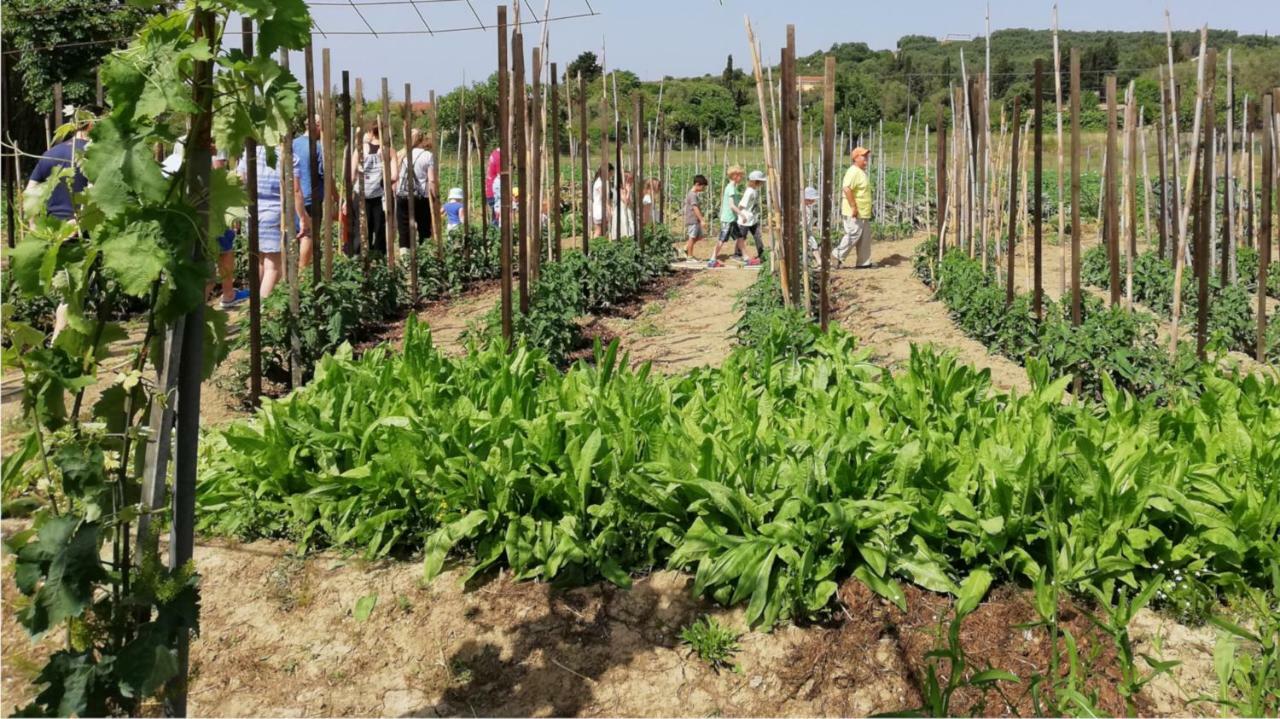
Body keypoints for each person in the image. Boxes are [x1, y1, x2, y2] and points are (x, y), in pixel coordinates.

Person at [27, 104, 98, 336]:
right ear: (91, 123)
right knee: (72, 290)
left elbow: (31, 191)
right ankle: (59, 341)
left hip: (52, 229)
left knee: (66, 288)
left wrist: (34, 224)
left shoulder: (51, 153)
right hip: (79, 229)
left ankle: (67, 339)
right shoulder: (93, 154)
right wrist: (78, 223)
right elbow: (94, 193)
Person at [162, 140, 249, 310]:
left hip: (186, 215)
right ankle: (210, 303)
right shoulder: (215, 137)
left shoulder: (182, 141)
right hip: (209, 211)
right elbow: (218, 173)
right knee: (217, 257)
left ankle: (193, 309)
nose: (214, 148)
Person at [237, 144, 296, 299]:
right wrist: (302, 218)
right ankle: (262, 308)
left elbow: (240, 178)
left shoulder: (252, 151)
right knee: (273, 266)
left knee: (260, 260)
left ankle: (253, 304)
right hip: (274, 212)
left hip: (252, 210)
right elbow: (295, 190)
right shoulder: (286, 155)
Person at [393, 128, 435, 252]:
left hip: (402, 196)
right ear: (421, 139)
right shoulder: (427, 155)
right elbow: (431, 180)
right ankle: (424, 255)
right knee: (424, 228)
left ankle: (405, 260)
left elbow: (395, 178)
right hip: (421, 197)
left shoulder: (400, 154)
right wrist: (435, 197)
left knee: (404, 229)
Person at [292, 114, 324, 269]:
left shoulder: (292, 144)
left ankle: (289, 271)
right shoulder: (316, 146)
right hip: (310, 197)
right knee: (308, 234)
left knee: (294, 232)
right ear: (316, 125)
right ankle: (302, 273)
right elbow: (323, 172)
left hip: (293, 197)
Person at [834, 146, 873, 268]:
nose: (866, 158)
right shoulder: (853, 171)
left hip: (863, 211)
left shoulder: (860, 172)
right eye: (863, 156)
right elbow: (846, 188)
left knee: (864, 237)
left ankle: (863, 262)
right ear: (855, 158)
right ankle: (836, 256)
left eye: (867, 156)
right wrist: (853, 207)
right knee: (854, 233)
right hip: (854, 211)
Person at [354, 125, 387, 255]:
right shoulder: (387, 150)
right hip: (379, 195)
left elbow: (351, 175)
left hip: (361, 194)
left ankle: (358, 259)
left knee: (361, 228)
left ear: (371, 133)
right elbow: (394, 176)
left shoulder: (360, 150)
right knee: (379, 229)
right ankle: (379, 259)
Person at [706, 165, 745, 268]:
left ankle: (746, 257)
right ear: (735, 176)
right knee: (722, 239)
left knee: (740, 237)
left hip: (732, 218)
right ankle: (712, 259)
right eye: (741, 175)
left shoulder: (732, 187)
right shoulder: (731, 188)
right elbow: (731, 205)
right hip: (728, 218)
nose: (742, 178)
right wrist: (742, 214)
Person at [735, 170, 765, 266]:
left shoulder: (754, 190)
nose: (762, 183)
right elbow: (741, 205)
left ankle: (762, 254)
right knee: (742, 237)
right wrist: (740, 214)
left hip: (752, 219)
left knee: (757, 236)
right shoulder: (749, 192)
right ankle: (737, 254)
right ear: (755, 181)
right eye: (760, 181)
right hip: (745, 219)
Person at [681, 174, 708, 261]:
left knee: (699, 236)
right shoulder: (692, 195)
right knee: (692, 238)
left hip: (695, 220)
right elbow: (695, 208)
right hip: (692, 219)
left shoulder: (694, 194)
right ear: (697, 184)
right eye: (702, 187)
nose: (703, 189)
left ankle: (686, 248)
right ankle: (689, 257)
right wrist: (702, 220)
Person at [591, 164, 613, 238]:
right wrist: (609, 208)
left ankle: (600, 245)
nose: (611, 175)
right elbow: (604, 198)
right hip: (599, 209)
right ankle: (595, 246)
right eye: (610, 173)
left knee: (603, 230)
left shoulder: (602, 181)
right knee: (598, 231)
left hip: (601, 208)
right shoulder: (600, 183)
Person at [802, 186, 822, 264]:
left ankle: (819, 261)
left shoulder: (808, 208)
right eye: (811, 199)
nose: (813, 201)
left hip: (807, 231)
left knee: (814, 244)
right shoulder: (801, 208)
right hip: (801, 231)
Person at [485, 148, 501, 226]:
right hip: (495, 192)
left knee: (496, 215)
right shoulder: (500, 157)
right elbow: (501, 177)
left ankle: (494, 233)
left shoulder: (495, 153)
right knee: (499, 217)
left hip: (490, 190)